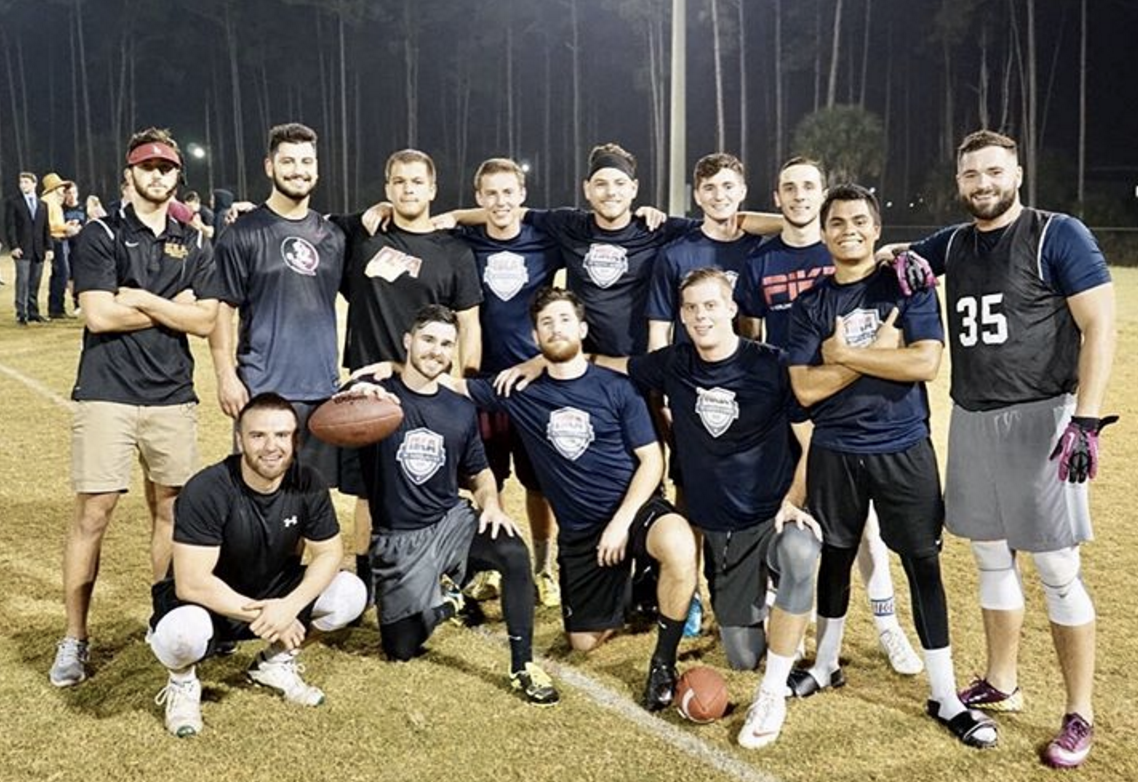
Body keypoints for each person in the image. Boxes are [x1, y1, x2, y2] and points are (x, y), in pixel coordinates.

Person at [880, 130, 1116, 769]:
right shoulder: (954, 242)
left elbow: (1099, 325)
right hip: (972, 416)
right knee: (989, 557)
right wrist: (898, 257)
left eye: (993, 172)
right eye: (971, 175)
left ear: (1016, 174)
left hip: (1043, 418)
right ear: (959, 182)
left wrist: (1086, 419)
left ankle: (1079, 711)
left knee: (1057, 568)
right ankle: (1002, 681)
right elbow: (891, 254)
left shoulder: (1056, 234)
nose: (983, 184)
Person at [785, 184, 996, 749]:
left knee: (922, 564)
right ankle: (825, 664)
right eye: (837, 222)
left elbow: (924, 363)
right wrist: (881, 354)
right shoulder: (810, 304)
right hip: (835, 450)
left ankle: (945, 695)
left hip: (903, 448)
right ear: (823, 233)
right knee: (835, 557)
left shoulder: (908, 284)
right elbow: (804, 389)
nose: (848, 230)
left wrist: (844, 355)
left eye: (860, 221)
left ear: (876, 230)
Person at [598, 268, 823, 748]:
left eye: (710, 305)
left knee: (800, 553)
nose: (701, 316)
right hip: (721, 529)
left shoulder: (772, 364)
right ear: (681, 316)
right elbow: (615, 364)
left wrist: (792, 501)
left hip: (771, 517)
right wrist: (548, 360)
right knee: (742, 655)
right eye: (691, 308)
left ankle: (773, 691)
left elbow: (811, 442)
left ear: (731, 308)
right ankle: (770, 604)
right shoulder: (674, 362)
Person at [447, 288, 699, 712]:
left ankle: (662, 663)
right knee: (582, 642)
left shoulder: (618, 388)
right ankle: (635, 584)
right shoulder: (519, 390)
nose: (556, 328)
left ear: (582, 329)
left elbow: (652, 461)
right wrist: (390, 370)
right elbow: (450, 385)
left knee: (677, 541)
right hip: (582, 532)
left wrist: (621, 523)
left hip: (633, 509)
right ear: (535, 337)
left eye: (564, 320)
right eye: (546, 323)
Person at [737, 156, 923, 676]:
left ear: (822, 196)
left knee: (863, 525)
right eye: (789, 187)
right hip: (789, 398)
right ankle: (788, 619)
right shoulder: (760, 261)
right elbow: (751, 330)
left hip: (846, 402)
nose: (799, 195)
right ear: (776, 197)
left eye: (808, 187)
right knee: (784, 505)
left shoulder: (847, 246)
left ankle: (887, 624)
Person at [50, 127, 220, 688]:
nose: (157, 175)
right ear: (129, 174)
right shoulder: (101, 233)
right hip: (107, 393)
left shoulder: (194, 241)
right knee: (93, 514)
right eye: (148, 166)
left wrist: (144, 298)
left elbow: (206, 320)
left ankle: (165, 619)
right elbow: (99, 315)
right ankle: (74, 637)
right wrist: (174, 306)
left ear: (177, 176)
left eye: (166, 168)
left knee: (171, 512)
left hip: (172, 395)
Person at [346, 305, 560, 706]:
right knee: (401, 647)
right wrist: (355, 393)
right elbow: (335, 412)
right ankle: (450, 602)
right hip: (399, 539)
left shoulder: (460, 408)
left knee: (513, 552)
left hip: (449, 522)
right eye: (428, 339)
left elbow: (479, 471)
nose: (436, 351)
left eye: (446, 344)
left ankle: (522, 666)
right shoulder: (377, 397)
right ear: (408, 341)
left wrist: (491, 503)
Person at [147, 393, 367, 737]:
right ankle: (183, 682)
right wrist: (269, 616)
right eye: (258, 435)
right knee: (181, 634)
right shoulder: (207, 488)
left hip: (274, 594)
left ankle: (273, 662)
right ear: (240, 439)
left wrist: (289, 607)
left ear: (295, 440)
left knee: (350, 593)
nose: (271, 446)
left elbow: (328, 554)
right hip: (209, 604)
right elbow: (191, 582)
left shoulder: (308, 482)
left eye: (281, 435)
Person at [333, 148, 483, 598]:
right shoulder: (363, 237)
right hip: (370, 385)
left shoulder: (454, 250)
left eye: (417, 181)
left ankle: (446, 570)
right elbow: (306, 221)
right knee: (368, 490)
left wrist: (465, 383)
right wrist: (370, 212)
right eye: (398, 182)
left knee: (435, 479)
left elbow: (470, 323)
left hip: (431, 387)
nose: (408, 189)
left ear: (433, 189)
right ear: (387, 188)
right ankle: (367, 579)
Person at [208, 122, 345, 496]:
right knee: (257, 496)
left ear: (317, 168)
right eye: (288, 161)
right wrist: (226, 376)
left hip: (321, 392)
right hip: (263, 389)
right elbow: (222, 310)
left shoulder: (333, 237)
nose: (298, 170)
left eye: (306, 161)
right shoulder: (242, 233)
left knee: (310, 498)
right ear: (269, 166)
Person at [451, 158, 563, 608]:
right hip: (484, 383)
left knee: (540, 482)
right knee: (486, 477)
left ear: (523, 195)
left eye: (508, 192)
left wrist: (540, 361)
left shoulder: (545, 241)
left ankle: (543, 568)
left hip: (535, 382)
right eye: (491, 193)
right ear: (479, 197)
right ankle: (488, 567)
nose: (500, 202)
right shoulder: (466, 243)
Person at [4, 171, 53, 325]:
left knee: (35, 283)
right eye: (21, 182)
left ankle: (33, 312)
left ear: (34, 184)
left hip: (38, 250)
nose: (23, 185)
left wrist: (49, 247)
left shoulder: (42, 205)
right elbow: (10, 226)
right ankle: (21, 313)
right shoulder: (13, 202)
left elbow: (46, 228)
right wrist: (14, 246)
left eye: (26, 182)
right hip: (22, 249)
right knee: (22, 282)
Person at [43, 173, 81, 319]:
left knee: (59, 274)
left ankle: (56, 308)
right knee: (62, 274)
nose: (63, 190)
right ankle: (56, 308)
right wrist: (66, 227)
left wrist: (65, 226)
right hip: (56, 239)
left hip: (59, 238)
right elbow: (48, 224)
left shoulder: (53, 201)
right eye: (61, 187)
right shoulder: (49, 202)